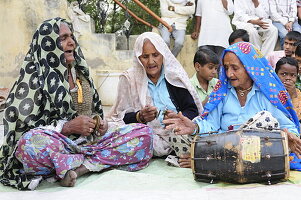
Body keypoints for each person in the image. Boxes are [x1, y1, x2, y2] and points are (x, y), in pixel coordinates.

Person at [0, 18, 153, 190]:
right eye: (63, 38)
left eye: (71, 36)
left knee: (144, 134)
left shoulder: (81, 73)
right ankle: (80, 163)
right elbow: (22, 133)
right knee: (30, 144)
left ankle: (78, 169)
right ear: (48, 45)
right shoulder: (32, 80)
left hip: (89, 144)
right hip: (57, 146)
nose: (71, 42)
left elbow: (94, 111)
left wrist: (98, 124)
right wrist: (67, 128)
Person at [163, 42, 301, 164]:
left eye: (235, 68)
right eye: (226, 68)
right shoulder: (223, 92)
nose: (229, 74)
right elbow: (212, 125)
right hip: (221, 146)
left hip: (255, 151)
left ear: (249, 67)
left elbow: (290, 128)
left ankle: (207, 159)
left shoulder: (266, 94)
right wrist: (194, 127)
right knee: (176, 132)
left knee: (266, 119)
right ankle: (214, 158)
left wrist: (286, 136)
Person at [107, 32, 202, 167]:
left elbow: (193, 110)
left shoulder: (175, 77)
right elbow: (119, 117)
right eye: (145, 56)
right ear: (138, 57)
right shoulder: (129, 79)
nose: (151, 61)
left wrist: (179, 117)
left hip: (175, 135)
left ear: (163, 55)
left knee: (193, 133)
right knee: (119, 132)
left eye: (155, 55)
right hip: (147, 137)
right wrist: (140, 116)